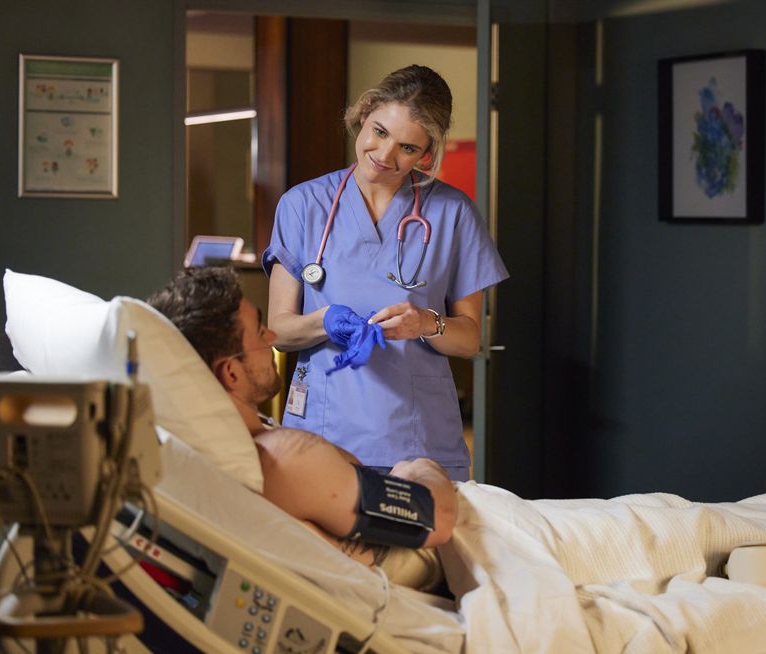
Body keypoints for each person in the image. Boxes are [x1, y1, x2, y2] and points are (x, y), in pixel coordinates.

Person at [262, 65, 508, 481]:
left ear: (427, 152)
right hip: (324, 431)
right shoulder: (302, 206)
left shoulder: (453, 213)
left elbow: (470, 339)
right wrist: (323, 321)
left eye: (408, 148)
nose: (385, 156)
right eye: (379, 132)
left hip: (418, 440)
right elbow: (280, 332)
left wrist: (423, 324)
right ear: (366, 112)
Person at [147, 266, 456, 588]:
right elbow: (439, 518)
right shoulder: (287, 459)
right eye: (258, 331)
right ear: (231, 373)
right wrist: (418, 466)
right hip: (436, 566)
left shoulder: (195, 457)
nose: (271, 336)